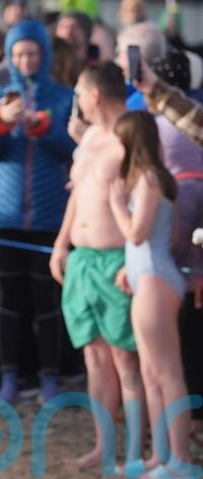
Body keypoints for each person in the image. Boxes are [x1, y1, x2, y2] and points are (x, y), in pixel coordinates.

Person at [0, 19, 76, 403]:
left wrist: (43, 127)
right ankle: (8, 378)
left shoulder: (64, 97)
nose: (24, 60)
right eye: (17, 53)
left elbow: (75, 148)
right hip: (2, 214)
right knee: (8, 298)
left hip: (49, 214)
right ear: (8, 57)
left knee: (47, 301)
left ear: (43, 55)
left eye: (31, 52)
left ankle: (49, 378)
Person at [51, 62, 143, 472]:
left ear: (92, 95)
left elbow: (147, 199)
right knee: (94, 357)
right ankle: (104, 446)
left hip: (117, 259)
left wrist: (135, 260)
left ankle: (138, 450)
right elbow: (78, 194)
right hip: (83, 259)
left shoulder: (133, 135)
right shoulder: (88, 140)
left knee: (126, 360)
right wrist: (60, 243)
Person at [109, 110, 198, 479]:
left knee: (167, 373)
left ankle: (179, 459)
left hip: (156, 280)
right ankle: (162, 456)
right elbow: (166, 237)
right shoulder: (152, 179)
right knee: (150, 372)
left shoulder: (147, 179)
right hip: (149, 274)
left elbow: (137, 233)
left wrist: (115, 203)